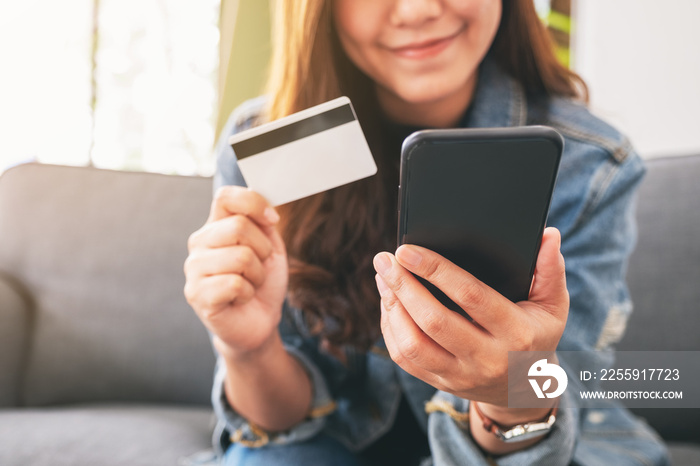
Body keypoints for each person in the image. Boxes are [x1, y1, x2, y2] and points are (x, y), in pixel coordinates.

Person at [184, 0, 670, 464]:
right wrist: (248, 348)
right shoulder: (269, 147)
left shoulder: (591, 164)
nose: (416, 11)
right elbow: (282, 428)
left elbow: (558, 398)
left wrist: (512, 393)